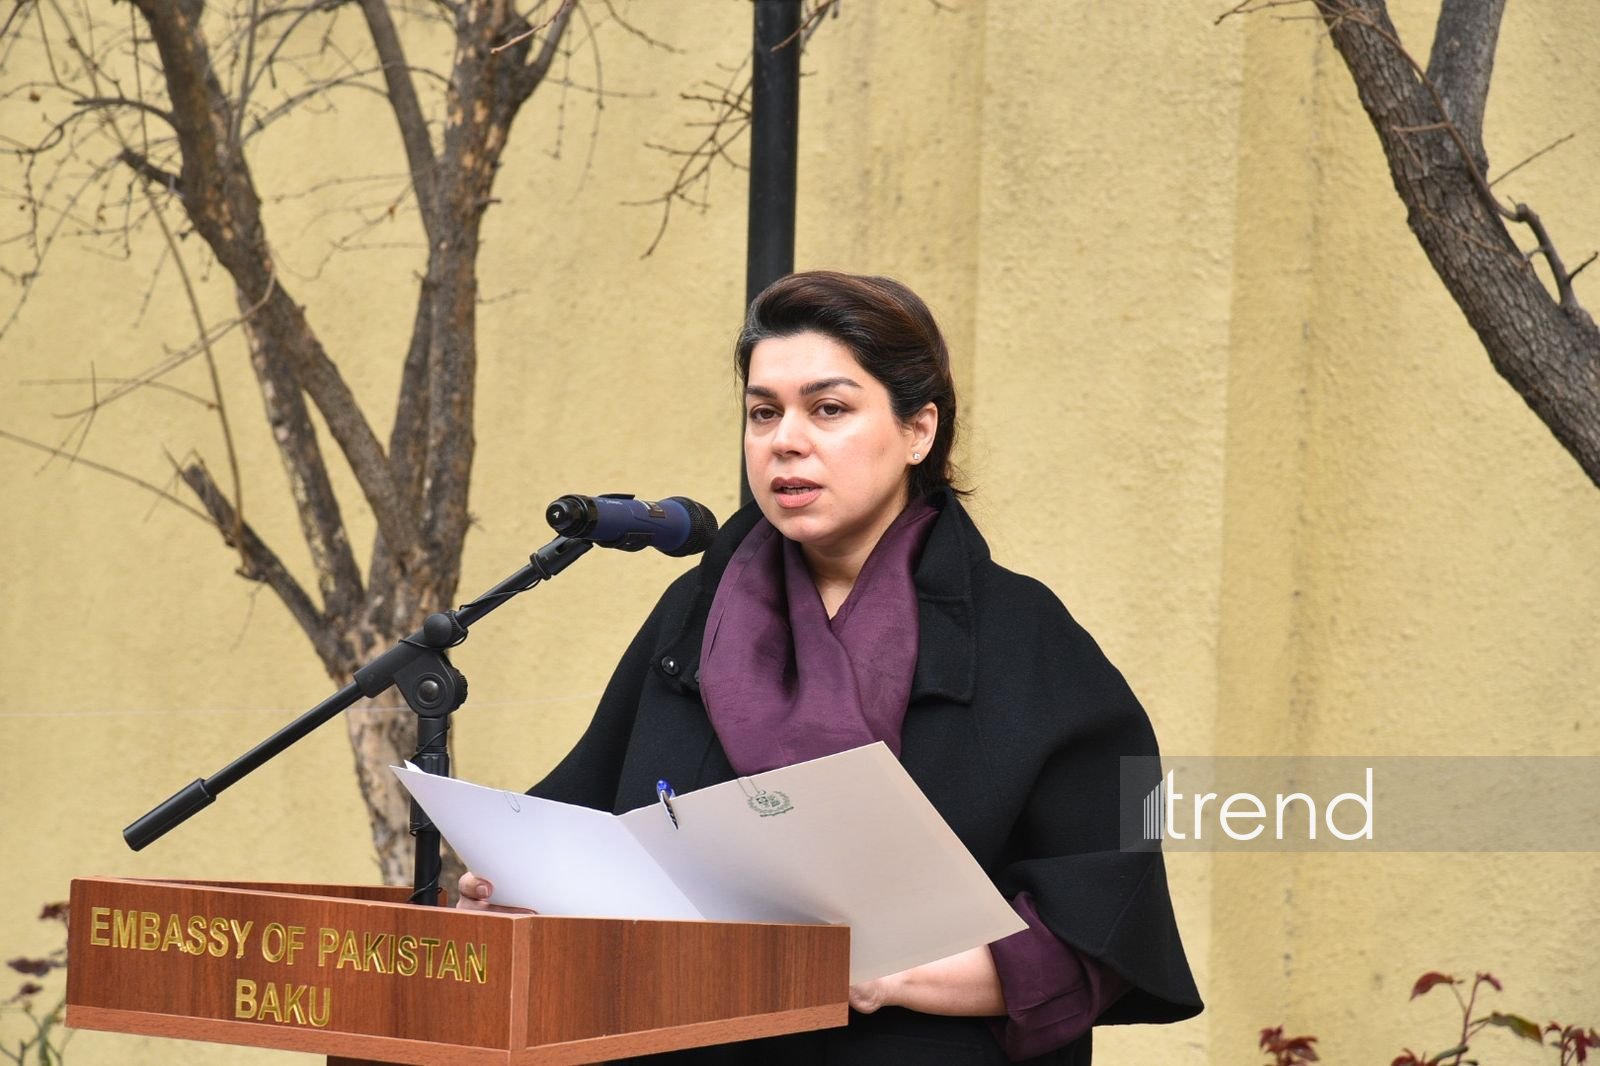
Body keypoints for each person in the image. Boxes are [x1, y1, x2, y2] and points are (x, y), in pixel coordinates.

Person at [460, 271, 1202, 1064]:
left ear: (919, 431)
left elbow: (1095, 933)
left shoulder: (1023, 640)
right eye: (763, 412)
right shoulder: (694, 615)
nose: (785, 440)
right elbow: (588, 825)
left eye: (829, 409)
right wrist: (513, 884)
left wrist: (890, 973)